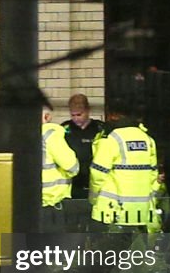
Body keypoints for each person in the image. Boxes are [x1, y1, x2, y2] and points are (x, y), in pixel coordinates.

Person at [89, 104, 159, 231]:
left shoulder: (111, 138)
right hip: (141, 209)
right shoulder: (147, 139)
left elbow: (98, 173)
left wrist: (94, 199)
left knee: (109, 248)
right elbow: (153, 174)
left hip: (112, 209)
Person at [42, 102, 80, 232]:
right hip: (50, 203)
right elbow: (72, 166)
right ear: (47, 117)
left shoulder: (19, 135)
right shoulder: (50, 135)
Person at [60, 94, 105, 200]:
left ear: (88, 111)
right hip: (72, 182)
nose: (76, 119)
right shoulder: (64, 129)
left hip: (94, 180)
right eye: (73, 115)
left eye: (79, 115)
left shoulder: (100, 128)